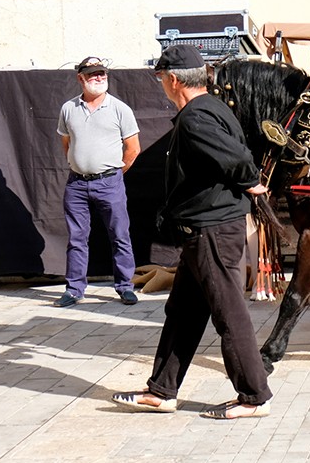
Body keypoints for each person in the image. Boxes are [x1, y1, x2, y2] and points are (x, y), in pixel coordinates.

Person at [111, 43, 272, 420]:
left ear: (172, 80)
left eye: (160, 79)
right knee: (182, 312)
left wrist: (252, 182)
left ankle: (254, 397)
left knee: (230, 315)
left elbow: (239, 161)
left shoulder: (196, 118)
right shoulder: (211, 108)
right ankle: (162, 391)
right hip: (202, 231)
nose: (161, 85)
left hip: (212, 231)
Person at [54, 57, 141, 307]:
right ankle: (74, 289)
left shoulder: (119, 109)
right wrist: (80, 165)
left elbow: (133, 149)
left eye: (102, 73)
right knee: (76, 238)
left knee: (119, 235)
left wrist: (113, 174)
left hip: (109, 183)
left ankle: (125, 286)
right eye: (93, 74)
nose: (99, 77)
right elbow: (66, 143)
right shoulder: (68, 109)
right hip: (77, 185)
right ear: (80, 78)